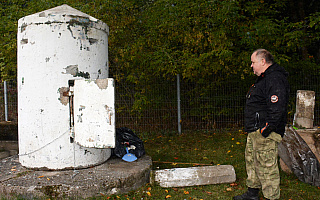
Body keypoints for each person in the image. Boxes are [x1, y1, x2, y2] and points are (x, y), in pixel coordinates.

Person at [233, 49, 289, 200]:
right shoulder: (264, 78)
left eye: (253, 62)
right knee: (252, 161)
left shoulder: (275, 78)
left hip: (265, 132)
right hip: (255, 130)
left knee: (267, 167)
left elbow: (277, 107)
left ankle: (271, 197)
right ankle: (252, 193)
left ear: (263, 61)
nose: (251, 66)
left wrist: (267, 129)